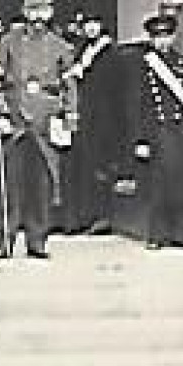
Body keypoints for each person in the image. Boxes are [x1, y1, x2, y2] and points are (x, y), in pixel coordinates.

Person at [0, 0, 77, 260]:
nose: (38, 16)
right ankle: (5, 240)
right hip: (14, 120)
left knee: (42, 183)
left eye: (43, 9)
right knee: (9, 184)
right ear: (24, 11)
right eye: (33, 9)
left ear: (50, 13)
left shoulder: (62, 46)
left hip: (46, 121)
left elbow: (69, 85)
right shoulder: (8, 43)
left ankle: (37, 240)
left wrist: (68, 118)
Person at [127, 12, 183, 249]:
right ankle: (158, 234)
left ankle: (182, 232)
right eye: (157, 37)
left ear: (173, 37)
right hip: (156, 132)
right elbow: (135, 106)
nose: (162, 41)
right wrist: (139, 140)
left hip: (181, 133)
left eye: (166, 36)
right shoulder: (143, 69)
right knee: (158, 185)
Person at [62, 12, 119, 234]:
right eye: (87, 24)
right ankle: (85, 216)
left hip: (104, 118)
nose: (91, 28)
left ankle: (103, 216)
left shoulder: (110, 54)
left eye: (95, 23)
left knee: (100, 167)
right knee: (84, 166)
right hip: (86, 116)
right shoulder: (84, 50)